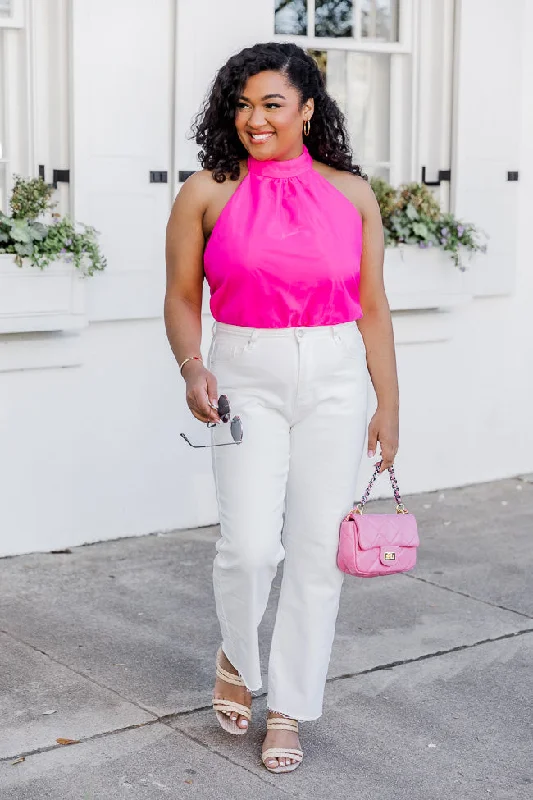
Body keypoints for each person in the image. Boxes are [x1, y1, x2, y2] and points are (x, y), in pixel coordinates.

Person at [164, 41, 399, 774]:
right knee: (249, 548)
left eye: (271, 104)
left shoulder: (352, 194)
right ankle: (238, 655)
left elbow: (372, 309)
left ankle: (290, 706)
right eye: (242, 103)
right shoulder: (207, 189)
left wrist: (386, 404)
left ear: (306, 108)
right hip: (243, 371)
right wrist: (192, 365)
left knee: (315, 555)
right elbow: (178, 298)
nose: (253, 119)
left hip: (332, 376)